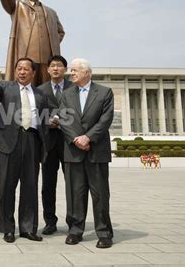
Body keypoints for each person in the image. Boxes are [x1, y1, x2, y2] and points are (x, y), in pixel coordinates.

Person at [0, 58, 48, 243]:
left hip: (32, 141)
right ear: (15, 71)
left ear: (33, 72)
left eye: (26, 69)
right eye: (19, 68)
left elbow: (44, 119)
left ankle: (28, 229)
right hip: (8, 142)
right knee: (7, 186)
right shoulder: (5, 87)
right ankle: (8, 229)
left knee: (30, 186)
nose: (22, 72)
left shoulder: (40, 94)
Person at [58, 58, 114, 249]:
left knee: (100, 194)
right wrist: (76, 139)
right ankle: (75, 231)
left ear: (87, 73)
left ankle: (104, 233)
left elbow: (106, 119)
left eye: (74, 70)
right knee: (75, 193)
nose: (71, 73)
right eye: (71, 71)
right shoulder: (66, 94)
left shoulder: (105, 92)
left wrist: (88, 138)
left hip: (96, 151)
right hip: (73, 152)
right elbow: (64, 120)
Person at [0, 0, 65, 86]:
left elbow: (60, 32)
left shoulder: (51, 12)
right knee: (26, 88)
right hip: (25, 55)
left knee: (46, 90)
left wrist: (50, 43)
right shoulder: (17, 6)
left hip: (47, 57)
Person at [37, 55, 73, 235]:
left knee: (73, 184)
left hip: (69, 142)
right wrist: (47, 121)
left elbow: (79, 112)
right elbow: (35, 114)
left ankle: (73, 220)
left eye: (59, 66)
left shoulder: (74, 88)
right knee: (48, 185)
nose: (56, 69)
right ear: (48, 70)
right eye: (52, 66)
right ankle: (50, 221)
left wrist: (64, 120)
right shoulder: (40, 90)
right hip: (49, 143)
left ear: (65, 69)